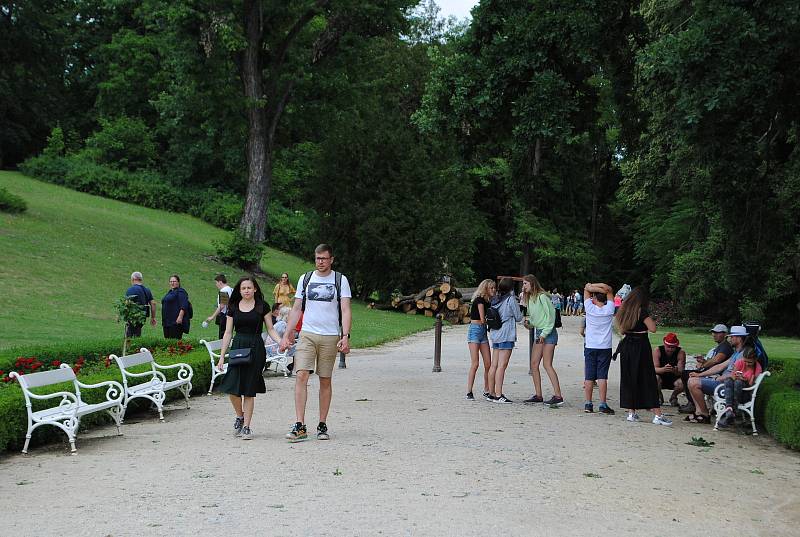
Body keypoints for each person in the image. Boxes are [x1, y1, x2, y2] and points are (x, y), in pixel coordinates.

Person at [280, 244, 352, 442]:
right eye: (317, 258)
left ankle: (322, 423)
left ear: (331, 259)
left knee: (325, 379)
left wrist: (345, 336)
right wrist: (287, 334)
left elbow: (345, 310)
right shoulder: (306, 278)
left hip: (330, 335)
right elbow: (296, 309)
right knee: (301, 374)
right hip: (308, 334)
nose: (320, 262)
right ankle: (300, 424)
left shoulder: (340, 280)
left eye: (324, 258)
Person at [217, 277, 281, 440]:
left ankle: (247, 427)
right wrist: (222, 356)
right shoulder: (232, 307)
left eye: (249, 287)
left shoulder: (262, 306)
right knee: (232, 386)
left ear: (255, 289)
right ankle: (240, 416)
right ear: (239, 290)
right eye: (243, 288)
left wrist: (281, 342)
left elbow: (271, 329)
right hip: (238, 346)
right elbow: (228, 332)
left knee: (249, 389)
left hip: (255, 348)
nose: (246, 290)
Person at [614, 287, 672, 426]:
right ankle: (657, 414)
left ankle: (631, 412)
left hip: (627, 346)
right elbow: (653, 328)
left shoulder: (624, 310)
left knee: (629, 377)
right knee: (647, 378)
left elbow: (621, 330)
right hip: (640, 346)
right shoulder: (641, 311)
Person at [684, 325, 748, 424]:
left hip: (726, 387)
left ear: (739, 338)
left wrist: (718, 378)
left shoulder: (743, 355)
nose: (730, 339)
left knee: (693, 383)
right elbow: (720, 366)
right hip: (722, 382)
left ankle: (704, 414)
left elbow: (736, 375)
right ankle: (699, 412)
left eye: (732, 337)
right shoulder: (736, 353)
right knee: (691, 379)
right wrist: (699, 374)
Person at [522, 274, 564, 406]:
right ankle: (538, 395)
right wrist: (529, 323)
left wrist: (544, 334)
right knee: (534, 364)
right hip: (539, 332)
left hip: (548, 333)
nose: (523, 287)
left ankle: (558, 396)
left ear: (532, 284)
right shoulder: (529, 299)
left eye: (525, 284)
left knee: (547, 364)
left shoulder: (542, 297)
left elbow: (550, 317)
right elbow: (535, 318)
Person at [678, 324, 733, 414]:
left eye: (717, 333)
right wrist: (703, 361)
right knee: (686, 373)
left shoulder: (725, 346)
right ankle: (693, 404)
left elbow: (717, 360)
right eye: (713, 332)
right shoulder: (721, 346)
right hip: (712, 373)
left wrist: (703, 365)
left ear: (725, 334)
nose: (714, 335)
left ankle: (693, 404)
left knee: (687, 375)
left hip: (716, 375)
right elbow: (714, 361)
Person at [486, 278, 523, 403]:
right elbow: (518, 317)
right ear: (511, 288)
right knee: (502, 365)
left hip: (495, 333)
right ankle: (499, 394)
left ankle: (491, 393)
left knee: (494, 365)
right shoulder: (510, 299)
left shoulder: (495, 299)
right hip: (506, 334)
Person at [582, 283, 616, 414]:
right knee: (602, 376)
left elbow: (586, 288)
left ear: (595, 298)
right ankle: (602, 404)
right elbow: (609, 289)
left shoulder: (590, 308)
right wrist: (599, 288)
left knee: (589, 376)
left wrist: (591, 287)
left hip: (591, 345)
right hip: (605, 346)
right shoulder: (609, 309)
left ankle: (588, 403)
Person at [717, 346, 763, 428]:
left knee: (738, 383)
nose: (747, 364)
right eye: (745, 361)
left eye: (750, 362)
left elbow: (752, 385)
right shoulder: (739, 362)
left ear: (755, 359)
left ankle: (730, 411)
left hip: (745, 394)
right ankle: (730, 409)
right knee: (728, 380)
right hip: (733, 393)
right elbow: (732, 376)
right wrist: (736, 377)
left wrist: (744, 380)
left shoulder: (757, 368)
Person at [466, 279, 495, 401]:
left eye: (494, 288)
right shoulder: (479, 300)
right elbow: (483, 319)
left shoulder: (489, 301)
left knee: (488, 363)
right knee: (475, 363)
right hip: (475, 330)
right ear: (485, 289)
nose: (494, 290)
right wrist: (495, 322)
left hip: (483, 332)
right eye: (491, 288)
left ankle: (487, 389)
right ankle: (469, 391)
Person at [653, 332, 686, 406]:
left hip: (674, 377)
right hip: (661, 376)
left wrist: (675, 370)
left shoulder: (681, 352)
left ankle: (674, 396)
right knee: (654, 378)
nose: (670, 349)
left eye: (673, 347)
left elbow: (681, 371)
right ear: (664, 344)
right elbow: (654, 369)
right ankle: (659, 395)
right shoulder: (657, 350)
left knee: (683, 382)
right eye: (668, 347)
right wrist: (664, 369)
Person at [124, 271, 157, 337]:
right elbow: (153, 304)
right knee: (137, 333)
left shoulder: (131, 289)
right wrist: (153, 317)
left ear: (133, 279)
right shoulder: (147, 290)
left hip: (132, 317)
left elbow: (126, 304)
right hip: (143, 317)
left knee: (129, 336)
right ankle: (137, 346)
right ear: (141, 279)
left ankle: (130, 347)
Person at [204, 274, 233, 339]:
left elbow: (222, 305)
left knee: (223, 335)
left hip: (224, 316)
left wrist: (212, 317)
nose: (216, 285)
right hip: (230, 315)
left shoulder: (223, 291)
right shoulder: (231, 289)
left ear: (220, 282)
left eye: (216, 283)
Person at [161, 274, 190, 339]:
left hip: (175, 322)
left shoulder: (181, 291)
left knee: (174, 341)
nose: (172, 283)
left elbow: (184, 305)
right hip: (167, 322)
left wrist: (180, 317)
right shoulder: (170, 292)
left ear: (178, 282)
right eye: (171, 281)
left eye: (174, 281)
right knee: (167, 341)